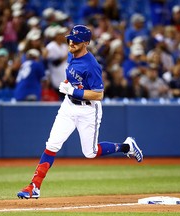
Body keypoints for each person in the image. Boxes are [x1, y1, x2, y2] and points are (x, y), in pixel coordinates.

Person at [17, 25, 143, 199]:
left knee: (89, 153)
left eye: (76, 40)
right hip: (68, 106)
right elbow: (73, 75)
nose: (71, 42)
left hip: (88, 110)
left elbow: (99, 94)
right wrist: (69, 84)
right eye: (70, 39)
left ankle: (127, 146)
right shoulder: (72, 54)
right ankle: (34, 186)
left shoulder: (92, 65)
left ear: (86, 43)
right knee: (52, 144)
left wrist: (73, 91)